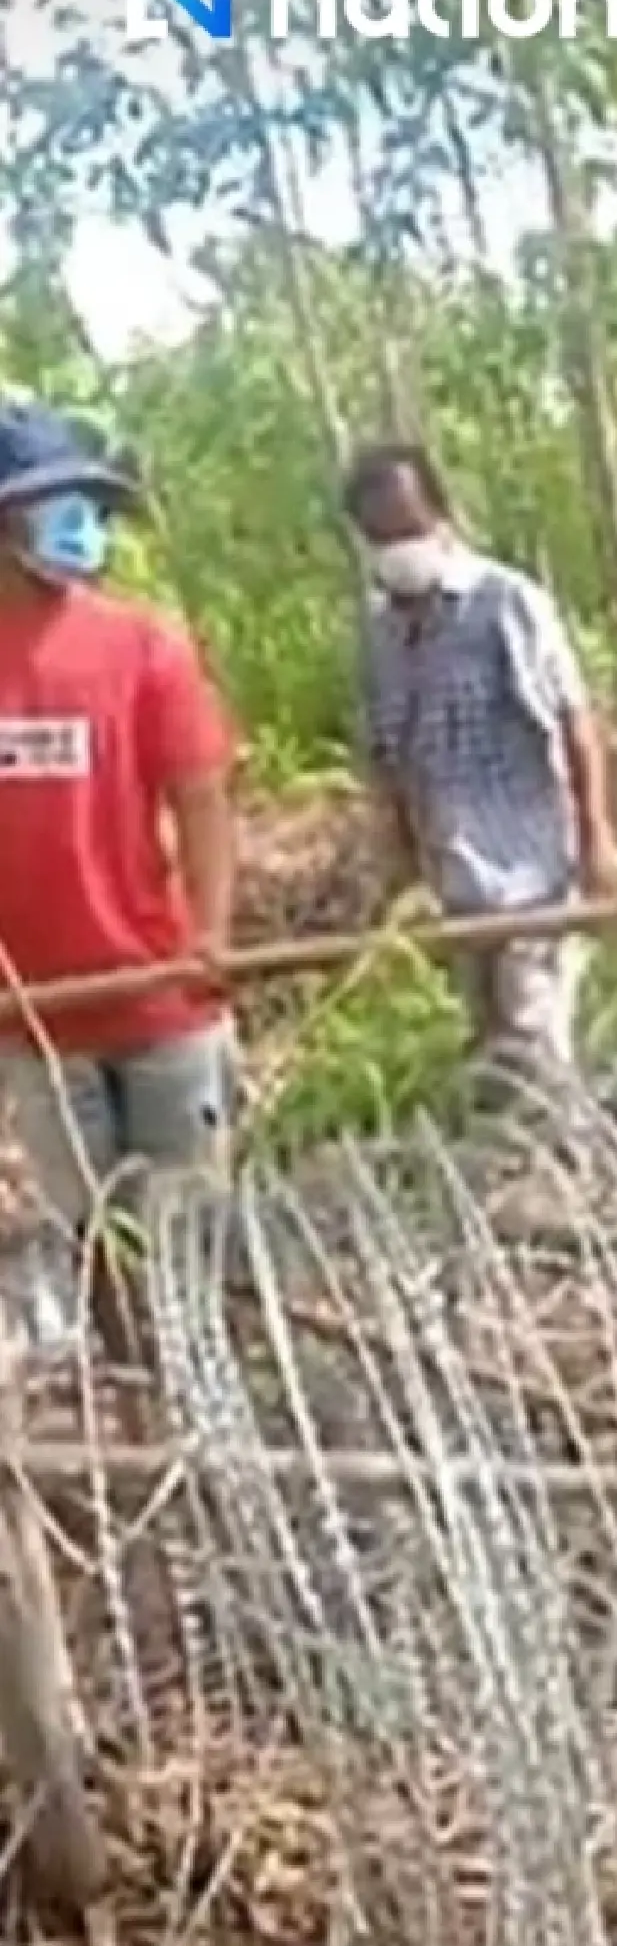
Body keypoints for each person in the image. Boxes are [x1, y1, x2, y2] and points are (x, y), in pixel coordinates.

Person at [0, 402, 235, 1402]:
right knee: (91, 1226)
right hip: (31, 1016)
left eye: (83, 502)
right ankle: (139, 1398)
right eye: (51, 504)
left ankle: (210, 1390)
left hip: (160, 989)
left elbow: (203, 795)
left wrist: (213, 932)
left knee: (189, 1220)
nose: (76, 523)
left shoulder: (144, 647)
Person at [348, 440, 617, 1098]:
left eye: (407, 528)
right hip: (457, 885)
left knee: (535, 1049)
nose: (397, 547)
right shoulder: (381, 633)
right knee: (490, 1049)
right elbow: (390, 757)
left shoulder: (506, 603)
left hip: (532, 874)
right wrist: (401, 865)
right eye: (380, 536)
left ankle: (567, 1174)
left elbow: (573, 721)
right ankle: (520, 1181)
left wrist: (597, 839)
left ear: (443, 517)